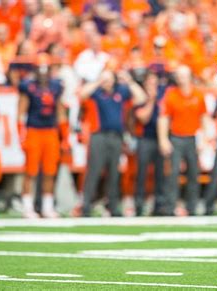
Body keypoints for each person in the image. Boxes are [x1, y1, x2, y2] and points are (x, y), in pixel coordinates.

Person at [78, 70, 146, 217]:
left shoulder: (120, 92)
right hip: (99, 135)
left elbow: (141, 98)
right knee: (94, 172)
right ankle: (86, 206)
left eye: (109, 79)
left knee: (114, 173)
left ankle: (113, 207)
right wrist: (98, 81)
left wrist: (129, 81)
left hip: (116, 136)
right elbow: (82, 94)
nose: (107, 82)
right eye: (104, 79)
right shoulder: (97, 92)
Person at [18, 53, 69, 218]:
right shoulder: (28, 86)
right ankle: (27, 206)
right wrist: (21, 134)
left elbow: (61, 113)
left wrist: (65, 136)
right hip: (33, 130)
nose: (43, 72)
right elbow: (21, 112)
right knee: (30, 171)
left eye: (45, 68)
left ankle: (47, 206)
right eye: (40, 68)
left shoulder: (56, 86)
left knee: (49, 171)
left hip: (51, 132)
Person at [158, 65, 209, 216]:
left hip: (193, 138)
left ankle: (192, 207)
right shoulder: (171, 94)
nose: (181, 79)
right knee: (173, 174)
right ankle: (170, 207)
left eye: (184, 75)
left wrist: (205, 138)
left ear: (190, 77)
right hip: (176, 137)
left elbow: (204, 117)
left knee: (193, 173)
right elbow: (164, 118)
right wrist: (163, 139)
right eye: (179, 76)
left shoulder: (198, 94)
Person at [133, 71, 166, 216]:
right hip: (144, 139)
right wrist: (151, 100)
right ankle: (139, 205)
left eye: (155, 83)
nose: (153, 86)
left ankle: (159, 205)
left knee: (160, 174)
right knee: (142, 174)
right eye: (150, 83)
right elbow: (143, 118)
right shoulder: (141, 99)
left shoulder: (162, 98)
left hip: (158, 140)